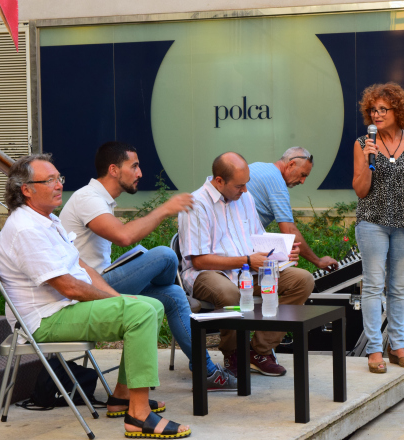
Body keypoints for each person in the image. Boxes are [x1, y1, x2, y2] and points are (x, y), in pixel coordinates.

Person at [0, 154, 191, 438]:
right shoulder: (25, 228)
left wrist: (118, 297)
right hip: (44, 320)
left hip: (64, 307)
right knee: (140, 312)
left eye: (59, 178)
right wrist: (118, 302)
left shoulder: (48, 220)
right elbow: (69, 287)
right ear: (26, 189)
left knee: (152, 305)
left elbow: (82, 267)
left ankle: (123, 395)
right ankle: (138, 416)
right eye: (49, 181)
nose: (59, 185)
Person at [59, 141, 236, 391]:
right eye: (134, 166)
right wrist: (164, 210)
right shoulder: (88, 198)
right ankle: (168, 289)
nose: (140, 173)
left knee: (173, 294)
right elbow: (123, 236)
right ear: (113, 170)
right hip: (87, 288)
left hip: (100, 281)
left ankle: (206, 371)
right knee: (165, 255)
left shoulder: (100, 200)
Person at [178, 152, 315, 377]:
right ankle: (233, 353)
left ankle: (259, 350)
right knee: (230, 293)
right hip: (209, 273)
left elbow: (258, 238)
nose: (244, 190)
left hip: (248, 269)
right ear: (219, 181)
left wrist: (282, 251)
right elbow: (200, 260)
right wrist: (248, 260)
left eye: (246, 184)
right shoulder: (197, 204)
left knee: (303, 280)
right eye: (239, 186)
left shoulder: (245, 197)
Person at [352, 83, 404, 374]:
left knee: (398, 287)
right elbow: (360, 191)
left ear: (398, 111)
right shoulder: (363, 144)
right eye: (373, 110)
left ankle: (396, 346)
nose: (377, 114)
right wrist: (367, 161)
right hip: (372, 222)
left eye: (383, 109)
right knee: (373, 286)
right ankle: (374, 349)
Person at [246, 147, 339, 271]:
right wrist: (318, 261)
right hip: (240, 250)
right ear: (291, 164)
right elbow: (289, 230)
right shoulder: (278, 185)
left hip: (230, 240)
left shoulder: (258, 166)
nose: (302, 181)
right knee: (301, 278)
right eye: (303, 175)